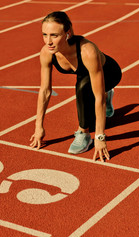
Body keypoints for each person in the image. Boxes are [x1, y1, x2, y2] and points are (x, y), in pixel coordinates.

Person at [29, 11, 122, 162]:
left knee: (84, 89)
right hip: (84, 73)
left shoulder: (87, 51)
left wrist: (99, 136)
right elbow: (45, 91)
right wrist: (38, 127)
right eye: (45, 35)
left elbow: (98, 97)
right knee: (85, 88)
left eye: (54, 35)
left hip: (109, 73)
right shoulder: (47, 52)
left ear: (68, 33)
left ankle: (84, 134)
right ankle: (106, 95)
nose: (48, 41)